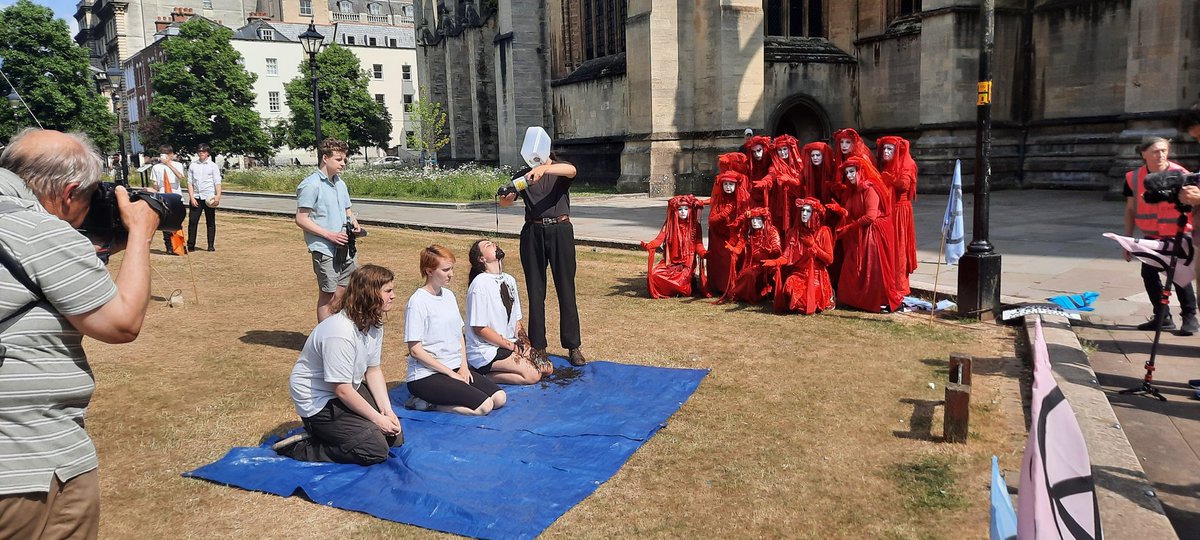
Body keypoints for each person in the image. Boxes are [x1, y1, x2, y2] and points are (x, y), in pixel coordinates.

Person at [0, 128, 160, 538]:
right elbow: (120, 323)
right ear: (70, 192)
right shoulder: (40, 232)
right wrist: (140, 231)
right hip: (28, 460)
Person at [272, 264, 404, 465]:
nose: (393, 296)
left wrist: (387, 411)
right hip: (319, 400)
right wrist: (378, 420)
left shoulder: (373, 323)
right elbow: (341, 390)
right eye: (388, 291)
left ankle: (337, 434)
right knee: (375, 450)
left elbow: (373, 370)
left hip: (345, 389)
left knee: (394, 438)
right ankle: (303, 447)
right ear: (368, 294)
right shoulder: (339, 332)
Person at [497, 152, 586, 366]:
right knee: (536, 292)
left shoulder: (558, 169)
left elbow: (572, 170)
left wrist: (544, 169)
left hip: (560, 230)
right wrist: (507, 194)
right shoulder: (523, 175)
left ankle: (573, 346)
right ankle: (539, 346)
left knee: (566, 289)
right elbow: (506, 203)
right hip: (533, 232)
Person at [404, 245, 507, 414]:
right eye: (445, 270)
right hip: (426, 375)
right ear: (429, 271)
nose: (451, 274)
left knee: (499, 397)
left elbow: (459, 334)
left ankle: (444, 390)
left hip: (454, 367)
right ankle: (425, 403)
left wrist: (464, 367)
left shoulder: (449, 296)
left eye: (451, 268)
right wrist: (450, 375)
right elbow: (415, 351)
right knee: (484, 406)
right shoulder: (417, 302)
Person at [1123, 136, 1197, 334]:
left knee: (1179, 275)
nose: (1161, 155)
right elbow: (1130, 209)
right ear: (1143, 153)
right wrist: (1128, 240)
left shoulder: (1181, 174)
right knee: (1148, 273)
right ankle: (1162, 317)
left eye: (1164, 150)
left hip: (1179, 233)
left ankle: (1190, 317)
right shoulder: (1133, 177)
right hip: (1151, 235)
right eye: (1156, 151)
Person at [296, 138, 362, 323]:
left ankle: (335, 333)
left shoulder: (341, 184)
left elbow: (347, 211)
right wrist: (329, 235)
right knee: (328, 294)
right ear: (325, 158)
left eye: (344, 160)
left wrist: (354, 223)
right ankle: (324, 340)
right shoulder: (311, 185)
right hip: (324, 249)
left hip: (346, 247)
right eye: (339, 159)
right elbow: (301, 219)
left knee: (344, 292)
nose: (343, 164)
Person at [465, 239, 547, 384]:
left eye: (492, 242)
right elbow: (480, 329)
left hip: (509, 344)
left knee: (547, 368)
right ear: (482, 258)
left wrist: (525, 344)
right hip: (486, 350)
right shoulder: (480, 284)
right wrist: (513, 347)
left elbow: (516, 320)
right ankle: (478, 376)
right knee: (533, 375)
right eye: (487, 245)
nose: (493, 244)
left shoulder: (509, 280)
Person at [836, 156, 902, 313]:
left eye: (852, 172)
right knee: (854, 266)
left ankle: (880, 300)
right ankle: (856, 299)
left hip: (874, 234)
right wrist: (840, 211)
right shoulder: (854, 191)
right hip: (860, 233)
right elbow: (850, 210)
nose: (850, 176)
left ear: (860, 171)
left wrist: (850, 226)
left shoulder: (870, 189)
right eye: (847, 173)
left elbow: (870, 216)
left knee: (874, 269)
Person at [771, 197, 835, 314]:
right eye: (802, 210)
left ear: (815, 214)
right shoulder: (795, 232)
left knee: (805, 301)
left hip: (816, 275)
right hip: (798, 273)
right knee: (789, 287)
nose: (804, 214)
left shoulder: (823, 232)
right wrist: (775, 262)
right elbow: (786, 256)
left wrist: (813, 246)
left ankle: (827, 294)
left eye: (808, 211)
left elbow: (829, 259)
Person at [641, 194, 708, 298]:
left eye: (686, 209)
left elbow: (698, 244)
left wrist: (704, 252)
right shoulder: (669, 225)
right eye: (680, 209)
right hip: (670, 263)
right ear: (675, 211)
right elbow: (659, 239)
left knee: (682, 282)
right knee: (655, 274)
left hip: (687, 263)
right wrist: (649, 245)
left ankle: (686, 285)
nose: (683, 211)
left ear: (690, 210)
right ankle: (672, 290)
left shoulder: (695, 226)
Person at [877, 136, 918, 297]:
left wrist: (892, 180)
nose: (886, 152)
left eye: (890, 149)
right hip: (888, 209)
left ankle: (899, 288)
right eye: (884, 149)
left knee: (899, 249)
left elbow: (906, 184)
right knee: (888, 249)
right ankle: (887, 285)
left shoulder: (907, 163)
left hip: (900, 211)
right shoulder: (884, 164)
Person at [707, 153, 751, 296]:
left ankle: (735, 286)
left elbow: (745, 218)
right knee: (721, 261)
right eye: (725, 184)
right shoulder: (719, 200)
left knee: (735, 259)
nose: (728, 187)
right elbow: (712, 220)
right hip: (719, 236)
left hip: (737, 236)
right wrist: (724, 213)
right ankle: (720, 286)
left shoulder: (742, 199)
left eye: (731, 184)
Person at [151, 145, 188, 255]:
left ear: (171, 155)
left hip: (176, 196)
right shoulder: (156, 167)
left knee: (177, 221)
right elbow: (155, 183)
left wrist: (169, 164)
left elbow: (180, 177)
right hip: (163, 196)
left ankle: (179, 244)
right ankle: (169, 246)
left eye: (167, 154)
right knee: (166, 222)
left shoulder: (178, 165)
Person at [186, 143, 222, 252]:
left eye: (203, 151)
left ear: (207, 153)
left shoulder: (213, 166)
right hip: (197, 196)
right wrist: (192, 197)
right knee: (193, 221)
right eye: (199, 151)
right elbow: (190, 183)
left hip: (209, 197)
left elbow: (217, 182)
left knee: (210, 221)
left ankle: (210, 245)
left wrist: (218, 196)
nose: (201, 153)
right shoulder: (193, 165)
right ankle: (191, 244)